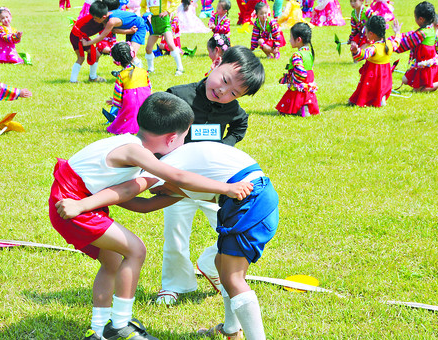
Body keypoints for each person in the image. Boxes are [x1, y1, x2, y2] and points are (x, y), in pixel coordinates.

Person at [49, 92, 253, 340]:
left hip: (75, 202)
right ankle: (120, 326)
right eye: (184, 136)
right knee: (136, 250)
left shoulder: (128, 144)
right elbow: (174, 177)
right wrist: (226, 188)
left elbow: (136, 202)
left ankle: (99, 329)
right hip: (73, 204)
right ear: (171, 138)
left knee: (113, 261)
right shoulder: (136, 153)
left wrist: (184, 196)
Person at [60, 141, 278, 340]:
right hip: (248, 198)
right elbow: (143, 205)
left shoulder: (164, 168)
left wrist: (85, 202)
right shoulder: (181, 180)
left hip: (249, 199)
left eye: (158, 189)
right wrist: (102, 196)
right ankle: (231, 330)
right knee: (221, 265)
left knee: (233, 277)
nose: (157, 192)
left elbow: (129, 189)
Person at [155, 45, 265, 305]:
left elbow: (241, 123)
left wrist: (224, 146)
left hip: (215, 183)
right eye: (224, 80)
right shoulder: (177, 96)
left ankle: (210, 264)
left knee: (234, 227)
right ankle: (173, 284)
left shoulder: (232, 109)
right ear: (217, 62)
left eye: (234, 92)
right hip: (177, 182)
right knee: (176, 232)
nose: (223, 92)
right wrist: (162, 165)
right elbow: (157, 131)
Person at [349, 16, 402, 107]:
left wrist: (356, 51)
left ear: (371, 33)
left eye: (365, 32)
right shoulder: (389, 43)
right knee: (380, 88)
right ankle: (381, 97)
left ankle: (376, 100)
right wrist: (397, 32)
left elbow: (363, 54)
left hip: (373, 76)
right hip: (385, 76)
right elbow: (397, 42)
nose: (365, 34)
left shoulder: (374, 48)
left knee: (363, 95)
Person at [395, 1, 438, 92]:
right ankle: (434, 83)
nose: (415, 19)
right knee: (405, 79)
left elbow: (405, 44)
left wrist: (396, 36)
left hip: (425, 68)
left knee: (416, 90)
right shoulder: (430, 28)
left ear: (421, 19)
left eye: (415, 17)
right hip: (423, 65)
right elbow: (411, 35)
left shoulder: (421, 34)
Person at [82, 0, 147, 68]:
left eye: (95, 18)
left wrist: (87, 43)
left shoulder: (111, 21)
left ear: (103, 17)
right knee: (128, 53)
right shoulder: (108, 16)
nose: (94, 20)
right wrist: (129, 31)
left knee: (131, 54)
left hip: (139, 27)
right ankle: (128, 72)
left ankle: (140, 72)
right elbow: (114, 30)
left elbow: (101, 36)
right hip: (131, 27)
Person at [104, 42, 151, 135]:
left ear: (116, 61)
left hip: (130, 105)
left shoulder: (121, 75)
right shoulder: (144, 72)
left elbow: (118, 97)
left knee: (122, 119)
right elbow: (149, 88)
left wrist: (114, 102)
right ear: (132, 54)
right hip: (146, 104)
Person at [276, 22, 318, 117]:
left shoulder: (297, 55)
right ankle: (304, 107)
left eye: (291, 37)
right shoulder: (309, 54)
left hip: (299, 85)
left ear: (298, 39)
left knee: (282, 111)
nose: (289, 40)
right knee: (305, 98)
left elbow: (301, 73)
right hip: (307, 85)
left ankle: (300, 108)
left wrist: (292, 80)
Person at [141, 0, 184, 75]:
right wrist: (144, 13)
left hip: (164, 22)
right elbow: (142, 5)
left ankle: (180, 67)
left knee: (171, 44)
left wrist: (168, 11)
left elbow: (177, 1)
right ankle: (150, 69)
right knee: (148, 48)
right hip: (154, 23)